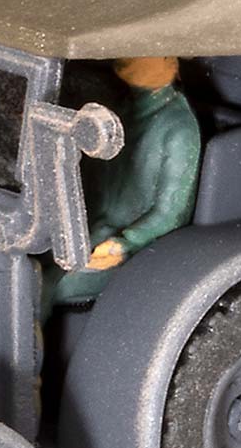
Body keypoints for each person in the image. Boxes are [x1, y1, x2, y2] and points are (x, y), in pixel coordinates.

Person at [47, 55, 200, 308]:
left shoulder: (179, 129)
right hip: (87, 226)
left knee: (49, 286)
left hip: (124, 247)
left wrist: (126, 243)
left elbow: (171, 213)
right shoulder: (120, 110)